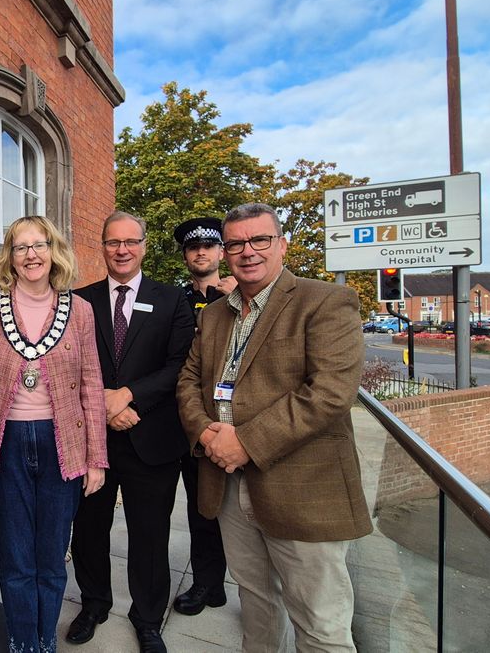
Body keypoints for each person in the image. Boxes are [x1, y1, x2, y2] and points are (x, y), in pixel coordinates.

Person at [176, 203, 371, 652]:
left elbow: (329, 393)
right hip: (228, 485)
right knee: (257, 603)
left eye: (259, 240)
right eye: (237, 243)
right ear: (226, 253)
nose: (248, 251)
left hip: (301, 487)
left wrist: (244, 441)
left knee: (320, 623)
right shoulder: (215, 314)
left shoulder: (324, 301)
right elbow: (189, 380)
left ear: (281, 244)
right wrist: (207, 433)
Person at [0, 216, 108, 653]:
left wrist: (96, 459)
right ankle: (21, 642)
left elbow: (91, 384)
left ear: (54, 251)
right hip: (5, 443)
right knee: (14, 559)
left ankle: (44, 642)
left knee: (50, 559)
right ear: (9, 256)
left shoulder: (80, 310)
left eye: (39, 245)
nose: (31, 254)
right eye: (20, 246)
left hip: (61, 446)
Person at [68, 211, 195, 653]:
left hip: (152, 437)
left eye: (130, 242)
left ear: (143, 245)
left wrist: (128, 396)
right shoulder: (79, 301)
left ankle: (146, 618)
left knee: (149, 533)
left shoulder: (173, 300)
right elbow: (71, 366)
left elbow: (181, 365)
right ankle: (94, 604)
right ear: (101, 247)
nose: (122, 250)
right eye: (112, 242)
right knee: (87, 530)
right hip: (93, 440)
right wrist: (105, 405)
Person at [169, 217, 233, 617]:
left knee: (236, 510)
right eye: (193, 248)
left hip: (225, 420)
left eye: (209, 247)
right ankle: (208, 583)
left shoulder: (239, 296)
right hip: (182, 418)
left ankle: (245, 581)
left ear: (221, 253)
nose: (201, 253)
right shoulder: (175, 300)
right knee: (201, 508)